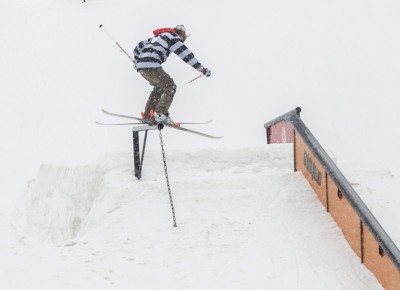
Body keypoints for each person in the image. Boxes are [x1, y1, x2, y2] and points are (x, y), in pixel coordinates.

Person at [133, 25, 211, 125]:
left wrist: (136, 61)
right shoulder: (174, 37)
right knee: (170, 86)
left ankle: (149, 115)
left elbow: (138, 46)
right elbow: (186, 55)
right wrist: (202, 69)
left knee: (159, 87)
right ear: (181, 35)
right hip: (152, 65)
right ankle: (161, 114)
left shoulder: (157, 37)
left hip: (141, 66)